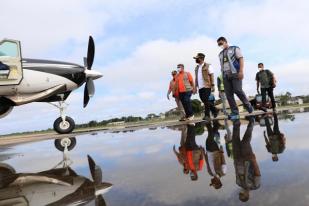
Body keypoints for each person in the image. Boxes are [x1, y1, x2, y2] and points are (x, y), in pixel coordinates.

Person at [217, 37, 254, 120]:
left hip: (235, 73)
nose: (220, 45)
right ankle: (234, 112)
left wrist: (241, 71)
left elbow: (241, 59)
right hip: (225, 76)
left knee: (238, 90)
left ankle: (248, 105)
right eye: (219, 44)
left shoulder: (234, 49)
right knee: (229, 94)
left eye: (221, 43)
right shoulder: (220, 54)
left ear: (225, 41)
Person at [232, 119, 261, 202]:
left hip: (237, 159)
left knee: (235, 140)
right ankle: (252, 122)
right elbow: (257, 173)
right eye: (242, 194)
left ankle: (236, 122)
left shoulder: (238, 183)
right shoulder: (255, 186)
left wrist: (235, 161)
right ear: (247, 195)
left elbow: (236, 172)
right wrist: (254, 160)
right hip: (248, 160)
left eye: (240, 194)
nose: (240, 192)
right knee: (245, 142)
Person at [194, 53, 218, 121]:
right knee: (204, 100)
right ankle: (215, 110)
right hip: (200, 87)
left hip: (207, 85)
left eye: (197, 58)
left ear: (201, 58)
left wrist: (213, 85)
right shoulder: (197, 67)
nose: (196, 60)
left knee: (206, 100)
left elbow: (211, 75)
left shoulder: (208, 66)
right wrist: (195, 87)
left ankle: (207, 115)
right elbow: (196, 78)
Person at [204, 120, 227, 189]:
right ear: (217, 181)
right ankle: (208, 123)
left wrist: (204, 154)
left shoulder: (210, 173)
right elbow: (223, 161)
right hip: (215, 152)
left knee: (209, 138)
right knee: (209, 138)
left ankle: (216, 125)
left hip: (208, 151)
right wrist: (221, 151)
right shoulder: (223, 172)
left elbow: (207, 163)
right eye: (213, 183)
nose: (211, 181)